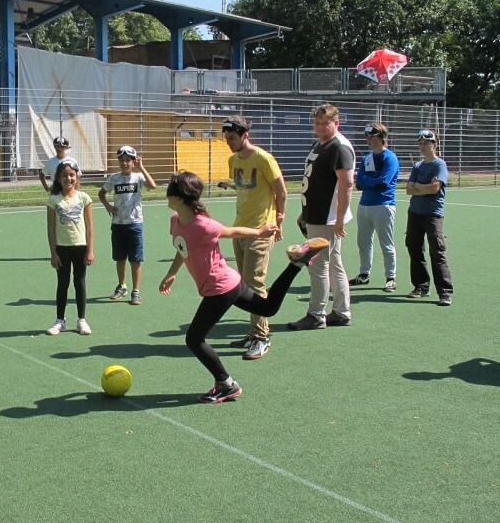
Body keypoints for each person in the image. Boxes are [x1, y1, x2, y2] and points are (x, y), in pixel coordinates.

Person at [158, 171, 328, 403]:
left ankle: (226, 384)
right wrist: (171, 273)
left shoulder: (203, 225)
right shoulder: (176, 221)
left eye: (169, 192)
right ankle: (296, 264)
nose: (166, 196)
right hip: (231, 281)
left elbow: (233, 231)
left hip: (220, 288)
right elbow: (182, 247)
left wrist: (259, 232)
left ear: (178, 198)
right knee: (267, 309)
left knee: (194, 339)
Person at [214, 116, 287, 360]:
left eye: (232, 138)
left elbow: (281, 191)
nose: (228, 142)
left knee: (255, 284)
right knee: (243, 286)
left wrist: (279, 220)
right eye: (226, 138)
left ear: (245, 134)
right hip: (240, 229)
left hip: (260, 230)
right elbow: (246, 185)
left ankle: (261, 336)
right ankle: (252, 332)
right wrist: (230, 184)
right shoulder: (233, 159)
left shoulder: (264, 158)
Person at [288, 103, 355, 330]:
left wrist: (338, 219)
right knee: (334, 264)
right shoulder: (321, 143)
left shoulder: (339, 147)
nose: (319, 127)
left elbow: (346, 184)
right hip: (315, 215)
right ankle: (341, 311)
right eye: (316, 123)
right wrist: (304, 212)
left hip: (326, 218)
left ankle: (316, 315)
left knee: (318, 265)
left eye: (325, 123)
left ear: (336, 123)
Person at [98, 145, 157, 305]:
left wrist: (142, 167)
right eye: (121, 160)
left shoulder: (138, 177)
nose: (124, 163)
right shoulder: (114, 178)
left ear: (133, 161)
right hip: (118, 224)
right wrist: (108, 207)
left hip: (134, 224)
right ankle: (122, 286)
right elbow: (101, 193)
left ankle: (136, 291)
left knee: (135, 259)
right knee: (120, 258)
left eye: (128, 160)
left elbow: (153, 185)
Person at [404, 129, 454, 306]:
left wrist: (419, 186)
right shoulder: (418, 166)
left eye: (426, 143)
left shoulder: (439, 165)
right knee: (414, 249)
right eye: (421, 143)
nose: (423, 146)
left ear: (435, 145)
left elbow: (435, 188)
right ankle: (420, 286)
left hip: (433, 215)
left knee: (437, 252)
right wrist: (421, 186)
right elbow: (409, 189)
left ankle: (445, 292)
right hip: (415, 213)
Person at [45, 158, 95, 335]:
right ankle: (60, 320)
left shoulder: (84, 198)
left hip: (80, 247)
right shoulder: (53, 200)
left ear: (77, 176)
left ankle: (81, 320)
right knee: (62, 283)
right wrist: (53, 253)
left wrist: (90, 250)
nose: (68, 179)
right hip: (62, 249)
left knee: (79, 282)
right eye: (64, 175)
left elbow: (89, 226)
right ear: (58, 178)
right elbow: (50, 228)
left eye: (72, 175)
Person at [349, 122, 399, 292]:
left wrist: (370, 181)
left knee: (386, 243)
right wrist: (373, 181)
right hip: (364, 205)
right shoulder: (366, 158)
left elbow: (383, 183)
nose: (368, 140)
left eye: (371, 136)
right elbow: (359, 183)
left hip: (384, 205)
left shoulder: (390, 158)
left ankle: (390, 278)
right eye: (367, 137)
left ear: (381, 137)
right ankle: (364, 274)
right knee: (363, 242)